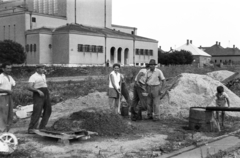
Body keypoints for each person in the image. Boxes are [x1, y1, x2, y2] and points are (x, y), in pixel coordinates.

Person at [27, 64, 52, 134]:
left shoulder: (43, 75)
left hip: (45, 94)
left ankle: (42, 127)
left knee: (48, 110)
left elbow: (44, 85)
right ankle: (31, 128)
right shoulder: (33, 76)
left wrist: (47, 91)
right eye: (41, 68)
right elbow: (29, 87)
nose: (43, 70)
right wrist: (38, 91)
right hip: (38, 94)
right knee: (37, 111)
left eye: (44, 68)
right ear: (37, 69)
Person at [0, 63, 15, 132]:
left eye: (10, 68)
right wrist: (6, 90)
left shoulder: (10, 77)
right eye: (7, 68)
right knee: (3, 113)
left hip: (9, 97)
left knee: (10, 113)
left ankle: (7, 131)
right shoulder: (1, 77)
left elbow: (13, 85)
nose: (9, 70)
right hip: (2, 97)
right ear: (3, 69)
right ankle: (1, 130)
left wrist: (11, 91)